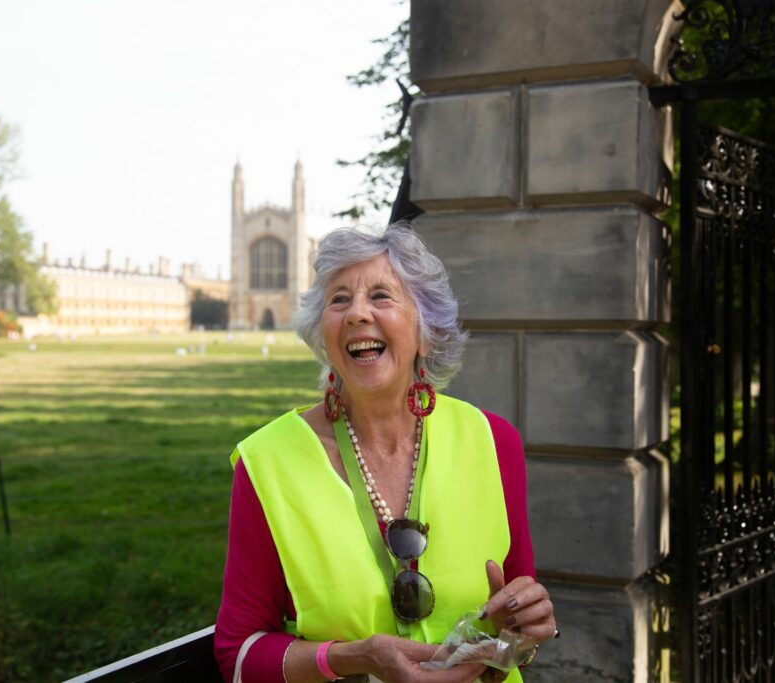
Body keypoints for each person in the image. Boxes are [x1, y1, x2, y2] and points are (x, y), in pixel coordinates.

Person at [214, 224, 558, 682]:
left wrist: (524, 628)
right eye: (339, 299)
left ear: (426, 331)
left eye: (381, 296)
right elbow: (238, 655)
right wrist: (353, 656)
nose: (357, 313)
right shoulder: (267, 463)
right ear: (323, 334)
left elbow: (517, 619)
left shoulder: (494, 442)